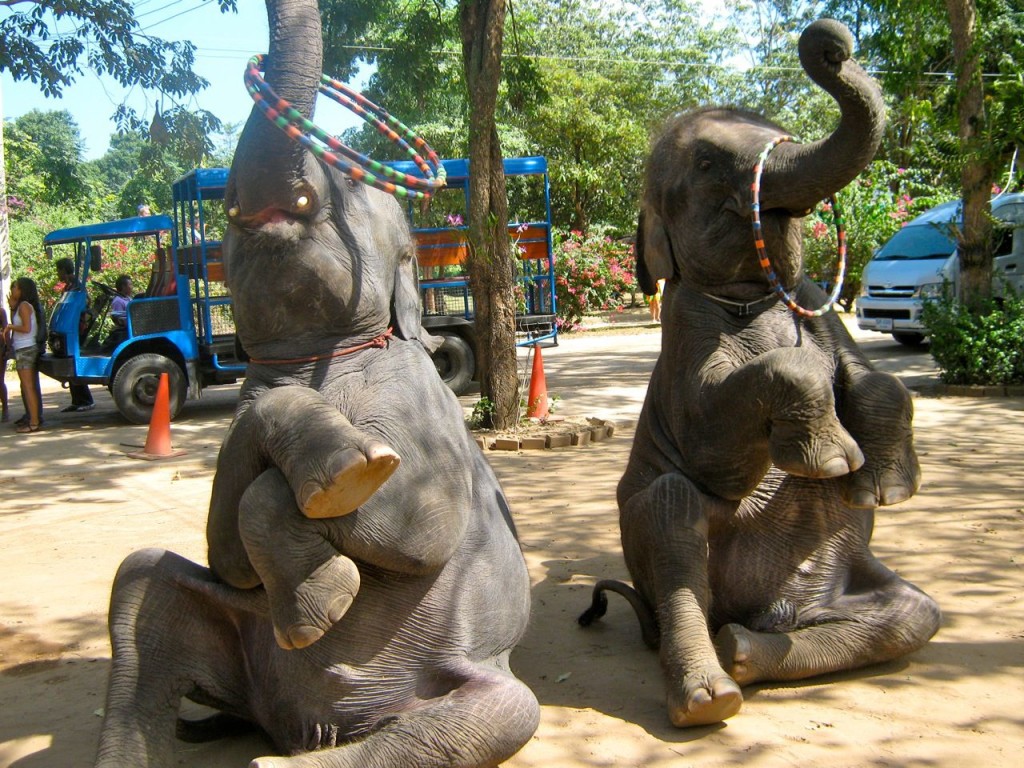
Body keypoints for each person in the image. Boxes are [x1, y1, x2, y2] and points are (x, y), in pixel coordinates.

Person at [55, 258, 95, 412]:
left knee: (73, 361)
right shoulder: (71, 286)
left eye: (58, 270)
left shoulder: (76, 287)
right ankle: (78, 399)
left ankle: (85, 400)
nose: (57, 273)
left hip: (77, 328)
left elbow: (85, 302)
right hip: (72, 327)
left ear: (64, 270)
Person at [5, 277, 44, 433]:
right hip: (24, 348)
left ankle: (34, 422)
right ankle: (33, 419)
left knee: (28, 387)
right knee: (27, 386)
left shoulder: (24, 306)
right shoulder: (20, 306)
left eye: (15, 287)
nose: (12, 290)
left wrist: (9, 326)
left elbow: (26, 328)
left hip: (26, 349)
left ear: (22, 290)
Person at [0, 305, 9, 422]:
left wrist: (7, 348)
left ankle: (5, 407)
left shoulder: (1, 311)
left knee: (0, 381)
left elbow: (6, 330)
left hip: (0, 349)